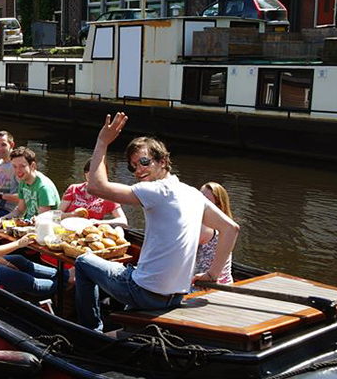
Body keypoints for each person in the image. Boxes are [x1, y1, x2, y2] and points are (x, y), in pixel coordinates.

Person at [73, 112, 240, 332]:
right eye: (133, 167)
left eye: (143, 162)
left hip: (145, 293)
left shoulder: (154, 190)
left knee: (83, 262)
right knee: (126, 271)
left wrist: (102, 141)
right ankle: (122, 319)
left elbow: (95, 186)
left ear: (162, 161)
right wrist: (212, 275)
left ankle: (90, 331)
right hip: (176, 296)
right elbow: (231, 229)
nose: (138, 170)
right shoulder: (193, 194)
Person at [0, 147, 60, 232]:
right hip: (27, 224)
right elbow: (20, 210)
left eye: (22, 166)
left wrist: (9, 230)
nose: (18, 171)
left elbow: (43, 222)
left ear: (33, 166)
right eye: (15, 167)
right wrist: (3, 219)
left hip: (42, 231)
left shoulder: (44, 188)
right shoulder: (23, 181)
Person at [58, 160, 128, 227]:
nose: (94, 175)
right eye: (90, 171)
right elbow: (56, 215)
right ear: (86, 173)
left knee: (119, 228)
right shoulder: (74, 189)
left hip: (91, 232)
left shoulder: (107, 195)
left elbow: (123, 221)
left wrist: (98, 222)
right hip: (68, 228)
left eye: (98, 173)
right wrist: (73, 214)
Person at [194, 182, 235, 285]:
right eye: (199, 198)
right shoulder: (226, 227)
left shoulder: (206, 228)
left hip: (205, 287)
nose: (200, 203)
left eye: (207, 201)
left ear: (219, 206)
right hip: (227, 283)